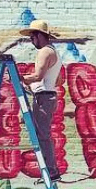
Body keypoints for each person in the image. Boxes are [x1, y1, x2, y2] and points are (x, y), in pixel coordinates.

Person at [17, 19, 63, 180]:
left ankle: (51, 171)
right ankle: (51, 169)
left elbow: (38, 76)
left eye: (32, 37)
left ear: (39, 36)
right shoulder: (54, 52)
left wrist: (20, 78)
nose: (31, 40)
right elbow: (60, 80)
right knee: (41, 133)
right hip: (46, 96)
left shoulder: (44, 52)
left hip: (44, 98)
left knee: (42, 135)